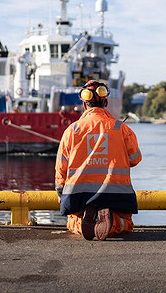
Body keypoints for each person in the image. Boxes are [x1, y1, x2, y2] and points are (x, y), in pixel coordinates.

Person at [55, 80, 142, 240]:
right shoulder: (120, 128)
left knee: (73, 222)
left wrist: (61, 192)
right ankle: (110, 220)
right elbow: (135, 159)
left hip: (78, 195)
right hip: (116, 193)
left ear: (84, 104)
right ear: (106, 102)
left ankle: (85, 219)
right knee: (126, 224)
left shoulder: (72, 130)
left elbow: (61, 168)